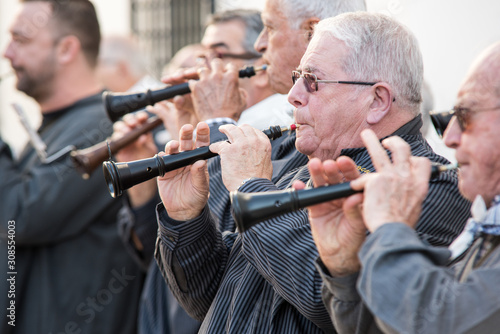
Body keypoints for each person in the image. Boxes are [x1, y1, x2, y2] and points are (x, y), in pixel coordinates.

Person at [153, 10, 471, 334]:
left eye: (312, 81)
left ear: (377, 101)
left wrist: (252, 186)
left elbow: (329, 300)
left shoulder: (431, 186)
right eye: (297, 76)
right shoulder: (304, 158)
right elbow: (209, 297)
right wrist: (186, 219)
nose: (293, 95)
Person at [309, 40, 500, 334]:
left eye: (465, 117)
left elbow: (439, 323)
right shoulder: (485, 228)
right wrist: (345, 270)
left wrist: (389, 227)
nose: (449, 138)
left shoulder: (445, 194)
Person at [0, 1, 143, 333]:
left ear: (66, 49)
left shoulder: (104, 129)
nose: (8, 53)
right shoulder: (64, 123)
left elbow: (18, 217)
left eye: (21, 40)